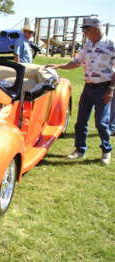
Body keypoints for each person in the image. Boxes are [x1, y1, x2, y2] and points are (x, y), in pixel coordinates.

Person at [46, 17, 114, 165]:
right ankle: (79, 150)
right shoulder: (88, 45)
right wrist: (58, 66)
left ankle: (106, 151)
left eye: (86, 29)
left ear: (96, 29)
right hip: (88, 87)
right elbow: (76, 62)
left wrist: (111, 89)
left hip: (104, 87)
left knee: (101, 123)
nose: (84, 32)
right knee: (81, 121)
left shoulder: (111, 44)